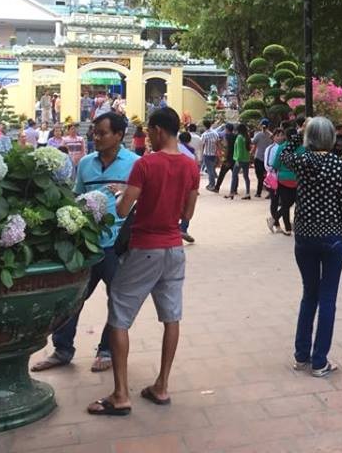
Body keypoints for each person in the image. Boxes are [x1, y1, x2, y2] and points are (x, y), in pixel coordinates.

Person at [87, 107, 199, 416]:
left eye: (149, 130)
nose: (146, 136)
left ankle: (120, 394)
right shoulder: (191, 166)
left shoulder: (146, 164)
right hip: (174, 249)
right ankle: (161, 385)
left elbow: (123, 211)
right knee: (171, 317)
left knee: (119, 313)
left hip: (145, 247)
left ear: (159, 130)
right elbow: (186, 215)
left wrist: (122, 194)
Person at [33, 112, 140, 374]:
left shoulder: (136, 164)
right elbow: (77, 197)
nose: (96, 137)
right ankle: (62, 349)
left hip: (118, 244)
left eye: (102, 133)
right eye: (94, 132)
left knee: (116, 300)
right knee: (72, 298)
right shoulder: (85, 164)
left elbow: (141, 202)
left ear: (118, 135)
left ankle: (106, 350)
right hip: (87, 243)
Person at [279, 117, 342, 377]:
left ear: (309, 137)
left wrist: (298, 132)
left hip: (304, 237)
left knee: (309, 294)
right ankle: (319, 361)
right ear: (332, 137)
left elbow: (285, 154)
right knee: (327, 298)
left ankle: (302, 355)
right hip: (332, 238)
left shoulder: (301, 162)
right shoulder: (338, 166)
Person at [271, 122, 302, 235]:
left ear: (286, 137)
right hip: (298, 180)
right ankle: (293, 226)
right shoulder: (302, 149)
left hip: (283, 179)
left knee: (285, 204)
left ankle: (287, 227)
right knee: (296, 203)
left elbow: (275, 164)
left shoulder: (281, 147)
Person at [264, 128, 287, 233]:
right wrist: (276, 169)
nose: (280, 137)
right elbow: (267, 165)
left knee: (285, 202)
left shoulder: (286, 147)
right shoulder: (270, 148)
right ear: (273, 136)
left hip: (284, 178)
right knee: (275, 201)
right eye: (278, 135)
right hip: (274, 178)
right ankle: (277, 225)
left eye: (282, 135)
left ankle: (274, 220)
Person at [225, 123, 251, 200]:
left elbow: (239, 150)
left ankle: (231, 192)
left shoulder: (239, 137)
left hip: (239, 159)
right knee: (246, 176)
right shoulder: (246, 137)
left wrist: (237, 160)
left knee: (234, 175)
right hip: (246, 159)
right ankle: (247, 193)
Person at [250, 121, 273, 198]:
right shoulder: (271, 135)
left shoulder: (258, 134)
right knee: (267, 176)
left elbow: (253, 142)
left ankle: (258, 192)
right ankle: (269, 191)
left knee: (259, 176)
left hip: (258, 157)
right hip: (268, 158)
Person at [213, 123, 236, 194]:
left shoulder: (226, 137)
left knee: (222, 174)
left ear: (226, 129)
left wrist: (224, 158)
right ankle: (235, 189)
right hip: (234, 158)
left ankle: (217, 188)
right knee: (235, 174)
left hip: (228, 159)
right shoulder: (236, 136)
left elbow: (226, 148)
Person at [201, 123, 221, 190]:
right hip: (214, 154)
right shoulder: (215, 133)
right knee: (212, 169)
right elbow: (218, 143)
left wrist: (201, 154)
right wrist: (219, 152)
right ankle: (211, 183)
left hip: (207, 154)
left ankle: (212, 184)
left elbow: (202, 145)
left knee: (210, 170)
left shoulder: (204, 135)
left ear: (204, 126)